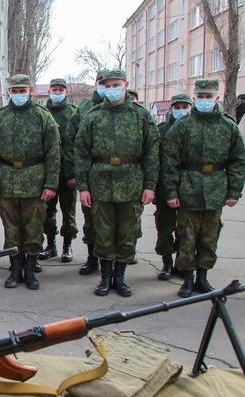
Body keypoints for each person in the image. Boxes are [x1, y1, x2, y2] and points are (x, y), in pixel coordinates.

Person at [74, 69, 158, 297]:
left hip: (131, 183)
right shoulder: (93, 116)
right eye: (107, 85)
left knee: (127, 233)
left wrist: (150, 185)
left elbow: (152, 152)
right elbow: (81, 154)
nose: (111, 89)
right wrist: (84, 187)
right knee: (103, 233)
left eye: (116, 84)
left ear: (125, 84)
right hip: (100, 183)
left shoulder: (141, 116)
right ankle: (104, 278)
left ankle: (119, 278)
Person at [161, 79, 245, 297]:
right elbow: (169, 161)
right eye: (201, 97)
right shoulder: (183, 126)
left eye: (209, 97)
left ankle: (203, 278)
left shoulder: (228, 126)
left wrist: (234, 191)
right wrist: (171, 192)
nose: (205, 101)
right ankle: (187, 280)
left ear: (216, 98)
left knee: (210, 237)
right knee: (186, 236)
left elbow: (237, 160)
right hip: (188, 188)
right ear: (195, 98)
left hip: (216, 188)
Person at [0, 74, 60, 290]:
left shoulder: (42, 116)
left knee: (33, 227)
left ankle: (30, 269)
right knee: (11, 228)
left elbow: (54, 152)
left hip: (34, 180)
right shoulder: (0, 117)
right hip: (7, 179)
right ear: (9, 92)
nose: (18, 94)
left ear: (31, 91)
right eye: (14, 91)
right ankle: (15, 269)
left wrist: (50, 184)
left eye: (21, 90)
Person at [66, 71, 106, 275]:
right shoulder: (83, 111)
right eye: (103, 83)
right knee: (91, 222)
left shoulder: (136, 112)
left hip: (127, 179)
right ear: (96, 84)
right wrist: (76, 176)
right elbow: (73, 146)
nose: (108, 88)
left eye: (113, 84)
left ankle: (115, 267)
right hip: (91, 177)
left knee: (119, 227)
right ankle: (93, 259)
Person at [38, 78, 79, 263]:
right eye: (54, 89)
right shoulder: (42, 113)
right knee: (47, 212)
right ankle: (51, 245)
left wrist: (72, 173)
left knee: (68, 211)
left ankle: (67, 246)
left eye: (60, 89)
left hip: (66, 173)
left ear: (66, 92)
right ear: (49, 91)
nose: (57, 92)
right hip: (46, 174)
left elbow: (76, 146)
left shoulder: (73, 113)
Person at [154, 93, 192, 280]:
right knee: (164, 228)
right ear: (171, 108)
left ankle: (182, 263)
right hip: (164, 187)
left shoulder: (195, 128)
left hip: (190, 187)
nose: (180, 111)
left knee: (186, 229)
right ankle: (167, 262)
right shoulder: (161, 130)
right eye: (177, 107)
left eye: (184, 107)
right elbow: (155, 160)